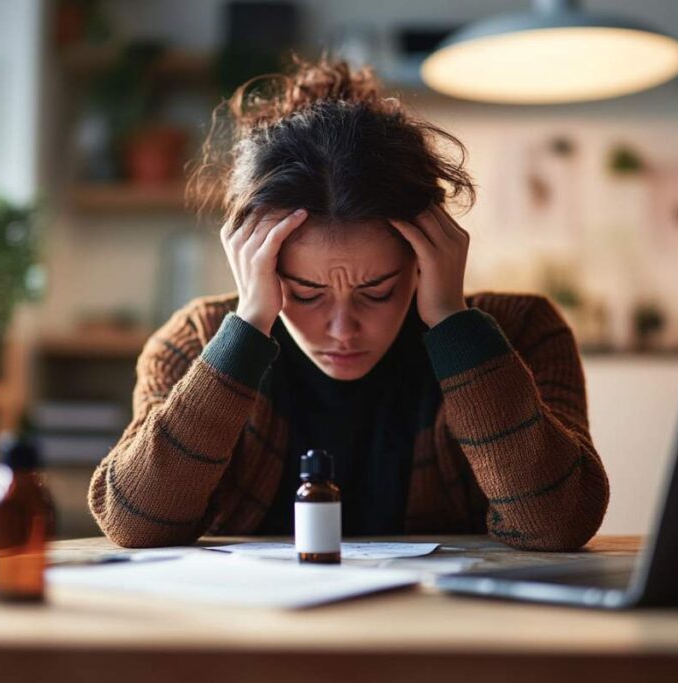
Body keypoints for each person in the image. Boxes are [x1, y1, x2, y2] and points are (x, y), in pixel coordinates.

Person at [87, 54, 609, 551]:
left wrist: (453, 322)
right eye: (307, 293)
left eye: (376, 291)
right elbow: (136, 522)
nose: (342, 327)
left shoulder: (522, 331)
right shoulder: (195, 341)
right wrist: (247, 327)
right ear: (259, 265)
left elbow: (558, 523)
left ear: (425, 259)